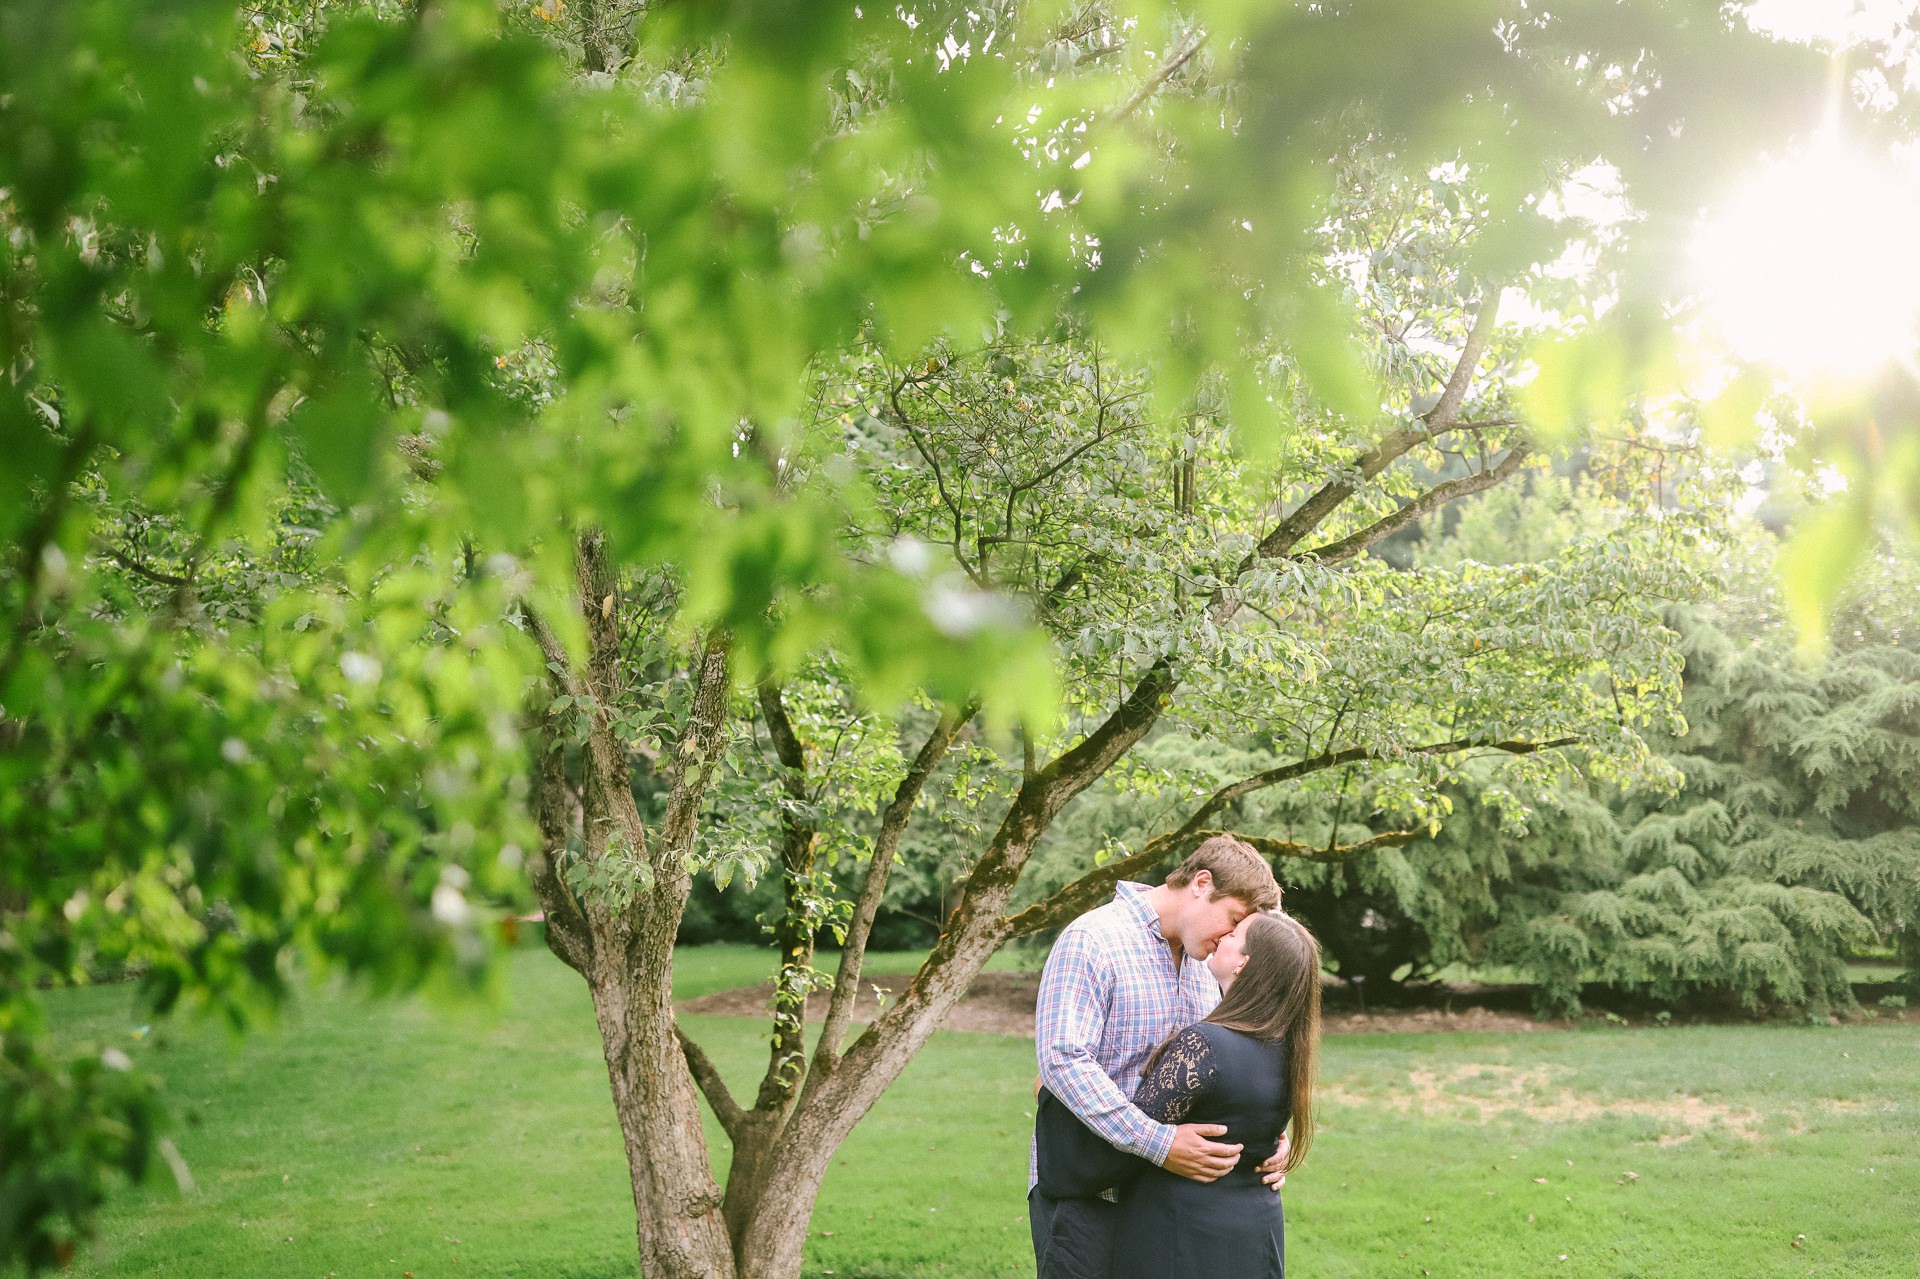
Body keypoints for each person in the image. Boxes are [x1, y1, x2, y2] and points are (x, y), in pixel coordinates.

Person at [1030, 835, 1283, 1279]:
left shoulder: (1205, 965)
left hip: (1166, 1201)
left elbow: (1227, 1064)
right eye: (1234, 919)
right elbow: (1063, 1060)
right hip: (1089, 1190)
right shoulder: (1094, 938)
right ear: (1201, 883)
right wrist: (1158, 1142)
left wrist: (1264, 1138)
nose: (1230, 937)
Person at [1110, 911, 1322, 1279]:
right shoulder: (1290, 1049)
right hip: (1255, 1228)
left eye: (1234, 934)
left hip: (1182, 1232)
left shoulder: (1205, 1046)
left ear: (1244, 963)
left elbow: (1129, 1136)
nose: (1223, 935)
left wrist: (1054, 1097)